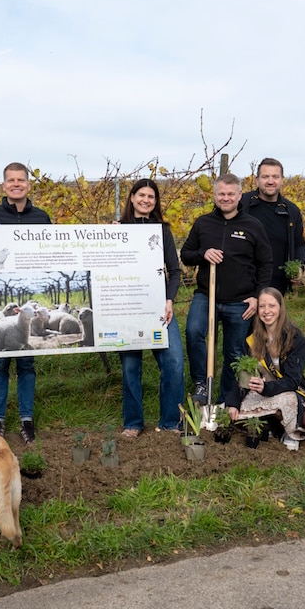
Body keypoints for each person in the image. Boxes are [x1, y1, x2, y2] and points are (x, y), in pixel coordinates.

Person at [0, 162, 52, 444]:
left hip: (28, 293)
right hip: (2, 296)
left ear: (28, 185)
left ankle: (26, 419)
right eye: (11, 181)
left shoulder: (42, 218)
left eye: (21, 180)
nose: (16, 184)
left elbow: (52, 253)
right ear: (4, 185)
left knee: (27, 363)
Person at [181, 172, 273, 404]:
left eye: (230, 194)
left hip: (240, 301)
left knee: (234, 352)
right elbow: (186, 255)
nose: (226, 198)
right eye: (221, 193)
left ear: (239, 195)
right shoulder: (203, 223)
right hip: (206, 295)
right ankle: (202, 384)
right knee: (194, 332)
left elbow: (266, 263)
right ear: (214, 195)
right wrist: (203, 254)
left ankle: (225, 399)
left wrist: (257, 297)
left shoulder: (253, 226)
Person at [117, 179, 184, 437]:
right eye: (141, 195)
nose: (146, 200)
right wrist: (110, 236)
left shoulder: (162, 231)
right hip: (126, 307)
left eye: (151, 197)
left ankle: (170, 422)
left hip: (158, 306)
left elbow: (175, 271)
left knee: (174, 361)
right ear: (132, 198)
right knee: (131, 367)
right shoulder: (118, 229)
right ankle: (133, 423)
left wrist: (169, 300)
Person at [224, 288, 305, 451]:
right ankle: (270, 427)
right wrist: (233, 402)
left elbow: (292, 380)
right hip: (264, 391)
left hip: (289, 391)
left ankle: (291, 434)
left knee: (287, 401)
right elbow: (243, 374)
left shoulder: (295, 338)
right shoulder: (254, 339)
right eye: (262, 306)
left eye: (272, 306)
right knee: (230, 409)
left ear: (281, 308)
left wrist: (266, 387)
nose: (266, 311)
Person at [240, 157, 305, 294]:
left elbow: (299, 244)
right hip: (242, 283)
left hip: (275, 286)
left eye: (275, 177)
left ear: (282, 179)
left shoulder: (291, 211)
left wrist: (299, 266)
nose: (270, 181)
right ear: (257, 179)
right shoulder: (242, 204)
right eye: (265, 177)